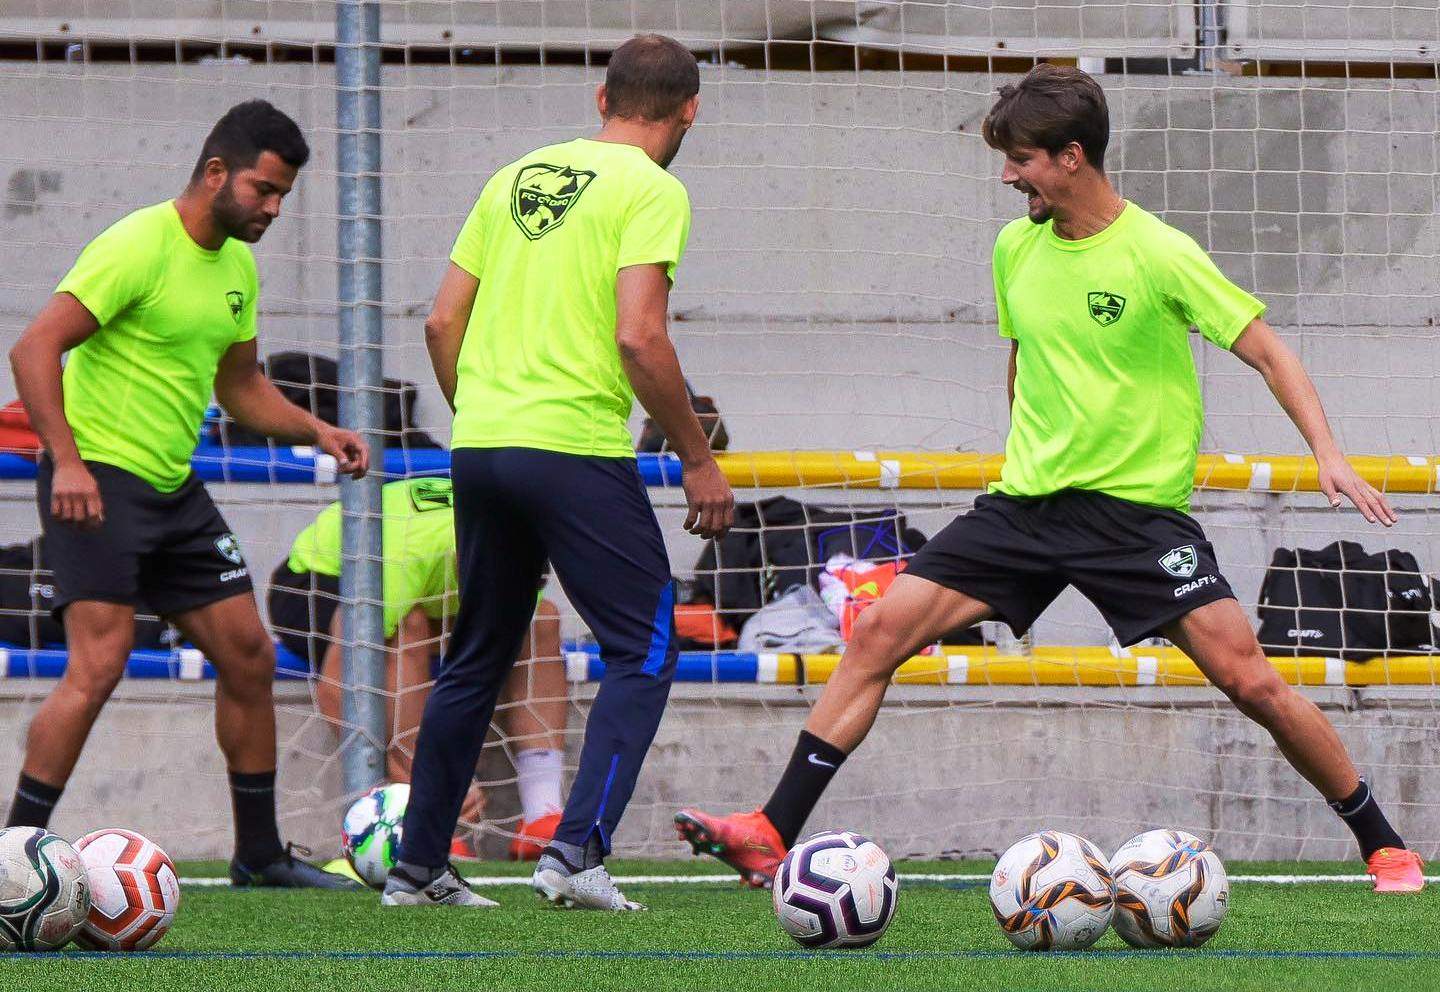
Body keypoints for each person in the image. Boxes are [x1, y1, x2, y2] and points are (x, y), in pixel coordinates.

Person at [675, 65, 1425, 895]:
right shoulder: (1014, 248)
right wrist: (1021, 454)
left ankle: (1384, 843)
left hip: (1135, 520)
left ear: (1072, 157)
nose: (1008, 176)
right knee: (877, 632)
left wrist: (1328, 453)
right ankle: (770, 830)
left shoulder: (1159, 252)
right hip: (1026, 510)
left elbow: (1268, 350)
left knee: (1251, 679)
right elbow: (1025, 356)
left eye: (1022, 159)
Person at [384, 33, 734, 910]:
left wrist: (488, 412)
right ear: (690, 109)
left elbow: (439, 325)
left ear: (600, 97)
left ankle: (417, 868)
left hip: (482, 441)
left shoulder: (515, 176)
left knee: (478, 651)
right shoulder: (654, 189)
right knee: (645, 646)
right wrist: (698, 459)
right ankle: (576, 855)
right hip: (573, 445)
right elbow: (639, 336)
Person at [6, 100, 369, 889]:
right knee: (96, 669)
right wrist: (64, 463)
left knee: (249, 656)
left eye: (282, 197)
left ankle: (260, 855)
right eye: (264, 191)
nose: (273, 209)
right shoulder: (136, 244)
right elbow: (34, 349)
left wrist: (317, 430)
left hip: (174, 491)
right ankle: (14, 861)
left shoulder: (237, 265)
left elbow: (240, 388)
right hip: (95, 481)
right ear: (216, 172)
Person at [268, 476, 569, 860]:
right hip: (317, 580)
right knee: (408, 627)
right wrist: (426, 778)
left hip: (429, 586)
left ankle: (542, 813)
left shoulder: (516, 548)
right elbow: (336, 686)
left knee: (539, 618)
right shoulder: (405, 556)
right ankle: (419, 811)